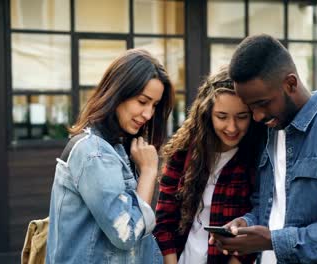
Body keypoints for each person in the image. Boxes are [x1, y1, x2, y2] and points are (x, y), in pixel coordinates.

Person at [209, 34, 317, 263]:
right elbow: (270, 208)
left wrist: (273, 240)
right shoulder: (271, 130)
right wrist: (246, 224)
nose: (258, 116)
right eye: (251, 107)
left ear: (290, 83)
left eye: (263, 103)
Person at [46, 49, 174, 264]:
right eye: (142, 101)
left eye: (155, 105)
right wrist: (149, 172)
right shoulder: (93, 152)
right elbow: (127, 234)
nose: (148, 114)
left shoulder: (120, 147)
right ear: (118, 93)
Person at [154, 66, 266, 264]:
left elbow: (256, 223)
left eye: (242, 117)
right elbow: (164, 221)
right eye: (222, 117)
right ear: (207, 114)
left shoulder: (258, 158)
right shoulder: (182, 153)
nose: (232, 127)